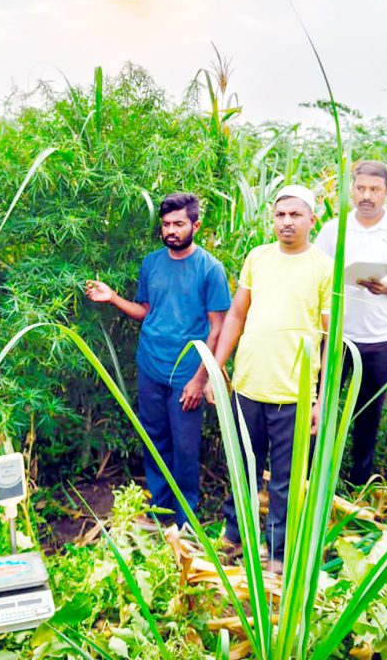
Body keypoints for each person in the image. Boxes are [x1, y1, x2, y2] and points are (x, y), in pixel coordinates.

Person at [85, 193, 230, 528]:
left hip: (186, 373)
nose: (171, 230)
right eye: (166, 224)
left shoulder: (210, 269)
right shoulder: (151, 263)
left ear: (195, 225)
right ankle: (160, 510)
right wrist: (113, 298)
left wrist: (200, 379)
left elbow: (217, 329)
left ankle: (186, 520)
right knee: (154, 440)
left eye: (179, 224)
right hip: (151, 364)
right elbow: (147, 312)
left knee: (185, 447)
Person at [212, 185, 334, 573]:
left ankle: (278, 553)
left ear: (312, 220)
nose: (286, 222)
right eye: (280, 215)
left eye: (295, 215)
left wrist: (321, 399)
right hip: (249, 384)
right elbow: (236, 315)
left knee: (285, 479)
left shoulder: (324, 267)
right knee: (243, 468)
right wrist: (218, 366)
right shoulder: (258, 257)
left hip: (293, 394)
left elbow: (332, 338)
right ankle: (235, 537)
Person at [315, 160, 387, 485]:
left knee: (367, 416)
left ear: (386, 192)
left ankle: (358, 484)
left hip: (378, 339)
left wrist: (386, 287)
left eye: (375, 190)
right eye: (361, 188)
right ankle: (315, 481)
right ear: (351, 190)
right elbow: (317, 274)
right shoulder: (333, 229)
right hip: (334, 336)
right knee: (322, 408)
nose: (367, 196)